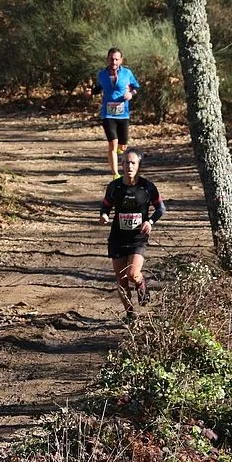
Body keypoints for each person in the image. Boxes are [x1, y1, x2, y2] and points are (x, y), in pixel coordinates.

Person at [99, 149, 165, 320]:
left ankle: (141, 283)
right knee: (121, 281)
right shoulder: (115, 186)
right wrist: (104, 215)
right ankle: (130, 314)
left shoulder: (147, 187)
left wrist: (150, 222)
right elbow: (105, 206)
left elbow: (160, 208)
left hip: (138, 239)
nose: (129, 166)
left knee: (132, 274)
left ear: (139, 166)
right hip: (118, 238)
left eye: (133, 163)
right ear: (121, 165)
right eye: (126, 162)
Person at [91, 47, 140, 180]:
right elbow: (98, 87)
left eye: (116, 59)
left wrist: (130, 94)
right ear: (108, 59)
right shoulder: (102, 74)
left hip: (123, 114)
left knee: (123, 146)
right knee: (112, 143)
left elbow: (136, 87)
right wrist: (90, 92)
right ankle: (115, 174)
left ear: (121, 60)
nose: (114, 61)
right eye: (112, 59)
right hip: (107, 114)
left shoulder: (127, 73)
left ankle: (120, 150)